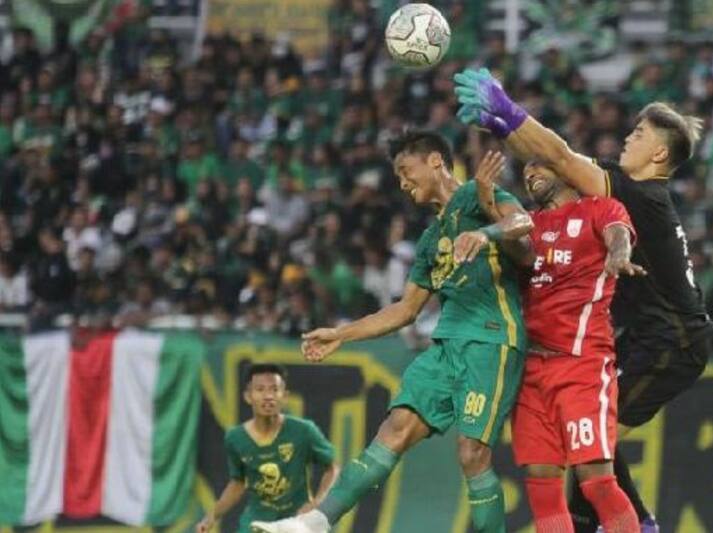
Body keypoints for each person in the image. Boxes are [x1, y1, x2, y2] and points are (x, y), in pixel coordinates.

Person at [453, 68, 713, 532]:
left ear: (659, 154)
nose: (628, 138)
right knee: (588, 452)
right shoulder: (623, 186)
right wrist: (505, 130)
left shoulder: (643, 197)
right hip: (646, 336)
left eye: (639, 133)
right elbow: (557, 161)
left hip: (672, 341)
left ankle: (641, 525)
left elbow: (558, 155)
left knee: (595, 448)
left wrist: (510, 111)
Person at [251, 131, 529, 533]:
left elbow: (523, 223)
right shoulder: (430, 239)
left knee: (472, 454)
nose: (401, 182)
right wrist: (341, 334)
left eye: (405, 170)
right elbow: (405, 310)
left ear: (435, 160)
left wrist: (485, 229)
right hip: (445, 347)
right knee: (395, 427)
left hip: (490, 339)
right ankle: (316, 522)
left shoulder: (476, 195)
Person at [460, 159, 643, 532]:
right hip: (530, 370)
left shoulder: (599, 208)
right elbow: (520, 251)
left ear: (566, 168)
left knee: (596, 481)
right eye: (525, 169)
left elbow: (618, 234)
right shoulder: (530, 223)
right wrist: (487, 203)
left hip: (581, 364)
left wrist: (619, 253)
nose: (529, 173)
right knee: (541, 484)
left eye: (539, 164)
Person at [195, 364, 340, 533]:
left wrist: (318, 502)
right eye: (260, 390)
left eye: (274, 389)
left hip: (296, 522)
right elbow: (238, 482)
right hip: (256, 522)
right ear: (248, 396)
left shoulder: (304, 431)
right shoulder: (235, 438)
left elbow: (332, 466)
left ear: (284, 396)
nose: (268, 396)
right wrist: (212, 516)